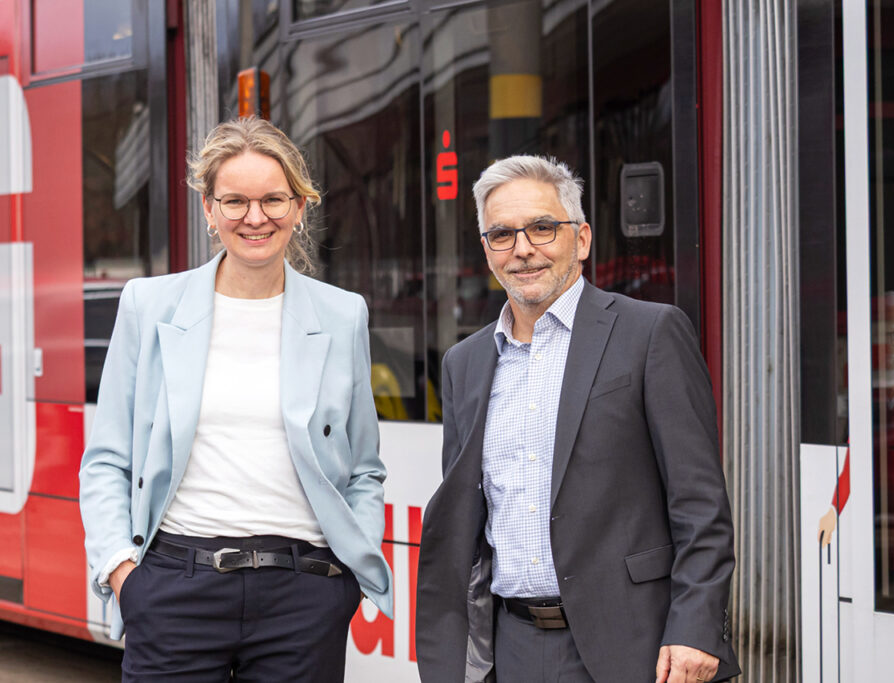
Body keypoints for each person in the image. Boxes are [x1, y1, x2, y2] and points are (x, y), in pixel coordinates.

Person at [79, 116, 393, 682]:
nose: (255, 217)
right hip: (174, 588)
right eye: (235, 201)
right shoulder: (149, 306)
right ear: (209, 207)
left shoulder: (343, 315)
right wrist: (123, 574)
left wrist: (343, 582)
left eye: (274, 199)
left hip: (305, 595)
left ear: (300, 207)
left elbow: (364, 468)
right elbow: (107, 459)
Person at [415, 155, 739, 683]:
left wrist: (696, 627)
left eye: (543, 227)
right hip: (511, 645)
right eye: (502, 234)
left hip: (637, 645)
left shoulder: (651, 333)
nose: (523, 249)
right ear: (488, 252)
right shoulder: (463, 364)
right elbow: (466, 522)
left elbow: (699, 503)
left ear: (581, 239)